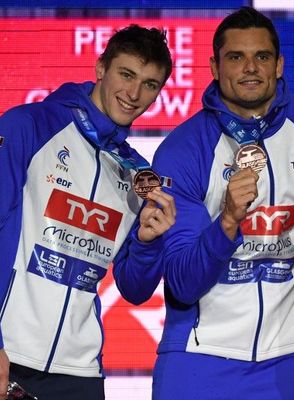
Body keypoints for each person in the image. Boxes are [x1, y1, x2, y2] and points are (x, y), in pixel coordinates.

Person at [150, 7, 294, 399]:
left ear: (280, 64)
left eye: (262, 57)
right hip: (199, 358)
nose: (250, 68)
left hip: (291, 359)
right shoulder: (183, 149)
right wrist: (228, 222)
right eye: (236, 57)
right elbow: (184, 284)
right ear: (215, 67)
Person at [0, 25, 176, 400]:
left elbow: (134, 288)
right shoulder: (29, 126)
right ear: (101, 67)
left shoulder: (138, 175)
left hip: (80, 370)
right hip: (8, 353)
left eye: (149, 84)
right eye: (126, 74)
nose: (133, 94)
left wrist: (147, 243)